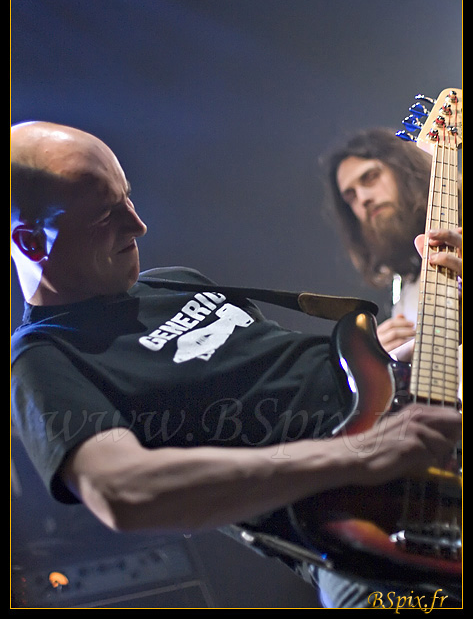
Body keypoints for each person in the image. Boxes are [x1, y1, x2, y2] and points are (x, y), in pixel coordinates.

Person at [11, 121, 462, 608]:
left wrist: (432, 328)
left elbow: (347, 379)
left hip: (433, 446)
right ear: (31, 242)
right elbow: (123, 490)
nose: (137, 225)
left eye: (129, 197)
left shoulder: (176, 281)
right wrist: (358, 455)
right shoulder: (44, 357)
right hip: (374, 540)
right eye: (105, 216)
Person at [320, 128, 462, 353]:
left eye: (370, 177)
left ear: (403, 168)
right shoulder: (403, 287)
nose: (363, 199)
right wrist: (379, 358)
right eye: (351, 196)